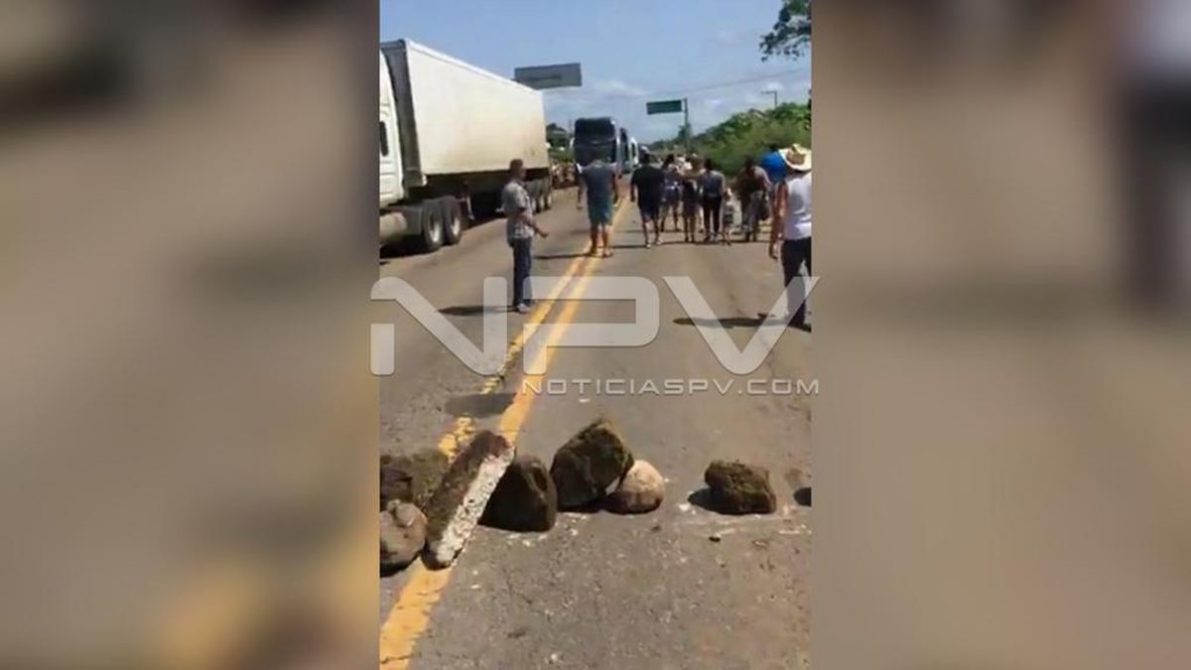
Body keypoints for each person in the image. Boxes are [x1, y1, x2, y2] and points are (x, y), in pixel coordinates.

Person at [769, 145, 812, 330]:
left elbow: (780, 214)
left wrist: (773, 241)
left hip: (794, 235)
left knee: (794, 276)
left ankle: (796, 316)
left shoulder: (786, 184)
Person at [502, 159, 549, 314]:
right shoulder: (515, 190)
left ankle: (527, 297)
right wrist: (538, 229)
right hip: (520, 233)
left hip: (520, 232)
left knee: (526, 266)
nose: (525, 173)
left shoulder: (512, 188)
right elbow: (521, 213)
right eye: (523, 170)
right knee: (522, 268)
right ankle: (519, 301)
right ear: (517, 171)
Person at [576, 155, 620, 257]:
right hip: (606, 198)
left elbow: (581, 187)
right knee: (606, 225)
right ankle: (606, 249)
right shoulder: (609, 168)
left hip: (592, 199)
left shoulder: (586, 170)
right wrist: (616, 196)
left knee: (594, 225)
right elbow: (615, 183)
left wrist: (579, 201)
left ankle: (594, 248)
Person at [630, 152, 666, 248]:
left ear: (642, 161)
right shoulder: (657, 172)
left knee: (645, 220)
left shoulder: (637, 172)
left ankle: (647, 241)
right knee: (656, 219)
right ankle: (658, 238)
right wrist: (663, 196)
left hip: (643, 198)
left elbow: (632, 185)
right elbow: (663, 184)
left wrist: (632, 196)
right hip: (656, 198)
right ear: (650, 161)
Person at [735, 155, 772, 243]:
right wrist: (738, 193)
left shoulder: (760, 172)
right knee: (746, 214)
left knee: (755, 214)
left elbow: (767, 184)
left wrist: (766, 195)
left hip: (757, 193)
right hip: (746, 194)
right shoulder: (743, 172)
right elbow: (739, 183)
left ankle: (754, 232)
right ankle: (748, 232)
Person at [700, 159, 728, 244]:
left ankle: (708, 233)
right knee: (716, 216)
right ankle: (715, 235)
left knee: (707, 216)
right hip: (716, 197)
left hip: (706, 196)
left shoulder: (703, 175)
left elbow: (701, 187)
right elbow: (722, 187)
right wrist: (724, 196)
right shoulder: (720, 175)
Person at [679, 160, 702, 243]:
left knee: (693, 218)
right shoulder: (688, 172)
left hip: (693, 197)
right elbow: (681, 181)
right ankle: (687, 235)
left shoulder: (699, 173)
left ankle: (692, 235)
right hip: (688, 197)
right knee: (688, 218)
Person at [661, 154, 682, 232]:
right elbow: (679, 177)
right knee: (675, 209)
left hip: (665, 189)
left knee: (665, 208)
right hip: (674, 189)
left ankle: (662, 223)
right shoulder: (675, 167)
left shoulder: (663, 167)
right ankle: (676, 225)